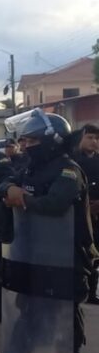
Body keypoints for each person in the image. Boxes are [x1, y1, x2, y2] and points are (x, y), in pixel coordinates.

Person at [0, 110, 95, 353]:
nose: (24, 146)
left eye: (31, 141)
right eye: (23, 141)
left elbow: (55, 204)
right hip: (33, 249)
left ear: (52, 140)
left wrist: (21, 198)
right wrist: (9, 190)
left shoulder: (68, 170)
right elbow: (4, 182)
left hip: (67, 253)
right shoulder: (30, 167)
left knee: (65, 309)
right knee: (27, 304)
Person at [71, 123, 99, 305]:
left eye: (96, 138)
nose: (94, 141)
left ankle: (93, 292)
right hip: (78, 216)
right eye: (89, 137)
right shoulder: (72, 161)